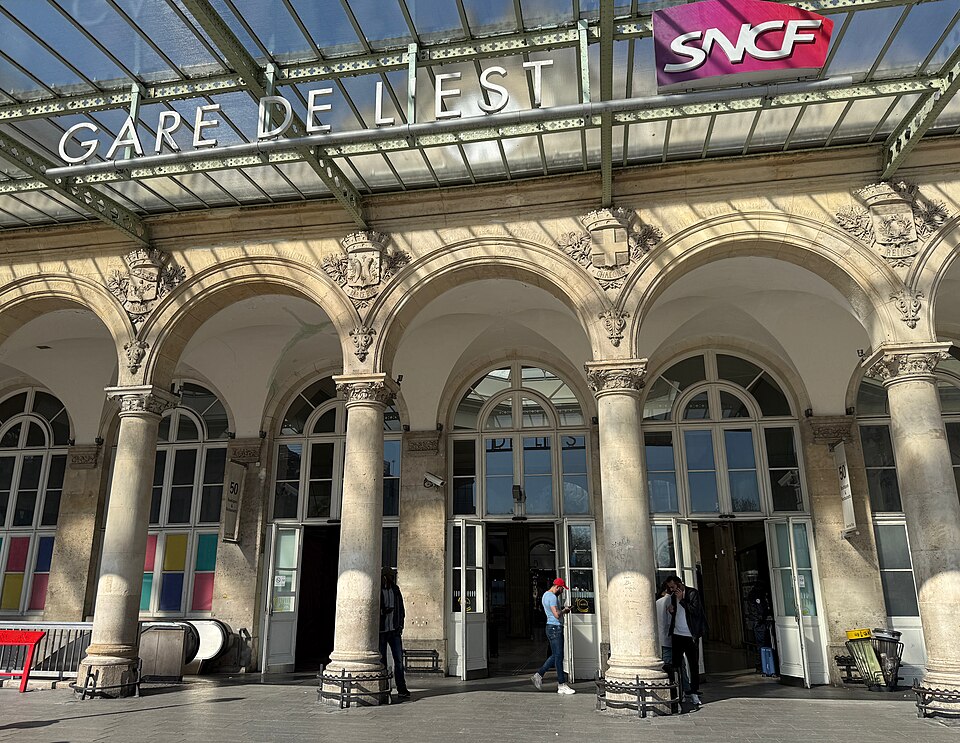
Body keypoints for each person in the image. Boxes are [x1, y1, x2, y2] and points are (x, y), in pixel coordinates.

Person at [665, 575, 705, 707]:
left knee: (693, 665)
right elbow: (678, 613)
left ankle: (694, 692)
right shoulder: (672, 596)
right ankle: (679, 691)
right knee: (676, 664)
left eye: (672, 587)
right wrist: (671, 610)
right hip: (677, 634)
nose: (671, 590)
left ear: (679, 584)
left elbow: (696, 611)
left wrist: (682, 600)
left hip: (690, 634)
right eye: (669, 588)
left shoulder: (692, 593)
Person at [530, 577, 575, 695]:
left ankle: (543, 677)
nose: (562, 591)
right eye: (562, 589)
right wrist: (565, 610)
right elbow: (556, 614)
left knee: (557, 655)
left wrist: (561, 609)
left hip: (550, 627)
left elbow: (551, 611)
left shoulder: (545, 595)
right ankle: (559, 683)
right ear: (557, 587)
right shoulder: (553, 597)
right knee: (558, 656)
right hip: (555, 628)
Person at [655, 581, 690, 698]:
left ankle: (678, 689)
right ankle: (683, 689)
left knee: (669, 665)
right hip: (672, 638)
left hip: (662, 639)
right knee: (678, 666)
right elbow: (671, 621)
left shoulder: (656, 603)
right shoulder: (670, 601)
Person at [379, 567, 409, 698]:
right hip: (382, 631)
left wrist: (400, 625)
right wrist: (383, 612)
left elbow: (401, 609)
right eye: (389, 576)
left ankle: (401, 688)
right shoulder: (378, 590)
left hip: (394, 630)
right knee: (382, 661)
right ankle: (384, 687)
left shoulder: (395, 590)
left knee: (398, 661)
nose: (391, 578)